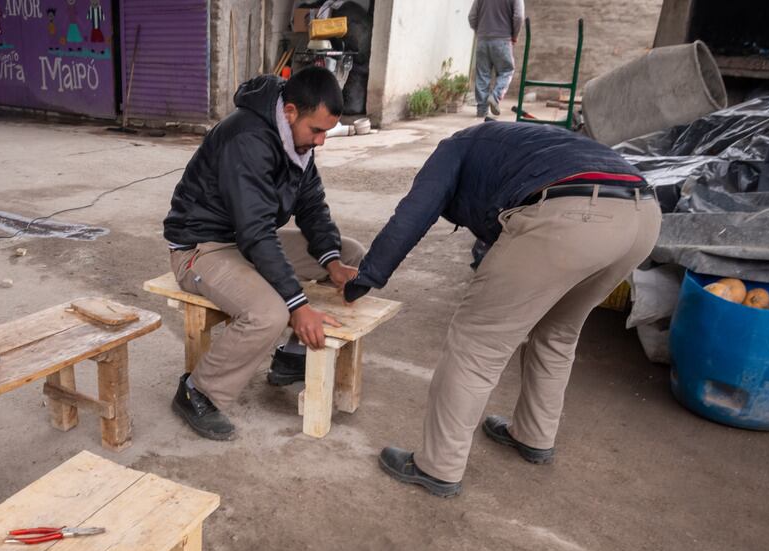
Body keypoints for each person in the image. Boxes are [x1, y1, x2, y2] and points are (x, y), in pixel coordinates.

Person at [339, 122, 662, 497]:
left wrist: (364, 278)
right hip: (643, 216)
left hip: (571, 215)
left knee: (476, 343)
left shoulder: (452, 148)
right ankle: (533, 436)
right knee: (558, 333)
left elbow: (413, 214)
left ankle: (437, 466)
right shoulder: (522, 145)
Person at [162, 67, 364, 441]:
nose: (321, 141)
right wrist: (299, 306)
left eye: (326, 132)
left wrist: (332, 262)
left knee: (350, 253)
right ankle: (198, 391)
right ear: (290, 112)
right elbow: (256, 232)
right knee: (270, 313)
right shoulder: (247, 138)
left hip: (245, 241)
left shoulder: (296, 142)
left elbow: (312, 207)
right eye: (316, 131)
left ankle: (290, 356)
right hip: (201, 247)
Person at [468, 0, 523, 121]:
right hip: (502, 40)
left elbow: (472, 16)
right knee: (507, 71)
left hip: (483, 40)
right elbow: (519, 16)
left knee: (482, 74)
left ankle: (481, 110)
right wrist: (514, 35)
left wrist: (480, 31)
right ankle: (495, 96)